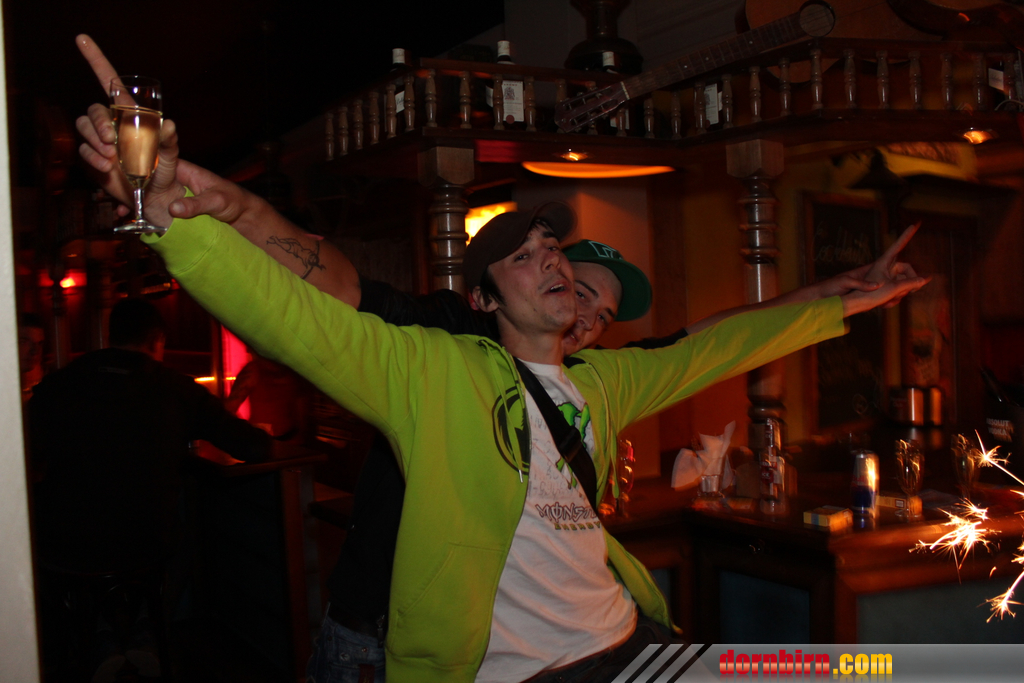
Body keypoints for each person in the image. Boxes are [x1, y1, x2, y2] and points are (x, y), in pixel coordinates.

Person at [73, 36, 925, 683]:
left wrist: (842, 297)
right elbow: (298, 317)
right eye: (527, 256)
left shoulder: (604, 381)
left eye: (556, 251)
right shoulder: (435, 366)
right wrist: (170, 216)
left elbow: (716, 343)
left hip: (626, 640)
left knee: (870, 667)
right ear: (482, 300)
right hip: (496, 662)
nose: (553, 263)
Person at [28, 298, 273, 681]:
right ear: (157, 340)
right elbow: (254, 447)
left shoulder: (58, 385)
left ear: (110, 336)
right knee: (181, 536)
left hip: (66, 546)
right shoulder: (175, 388)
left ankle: (101, 636)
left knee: (65, 545)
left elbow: (26, 453)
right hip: (147, 541)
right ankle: (145, 630)